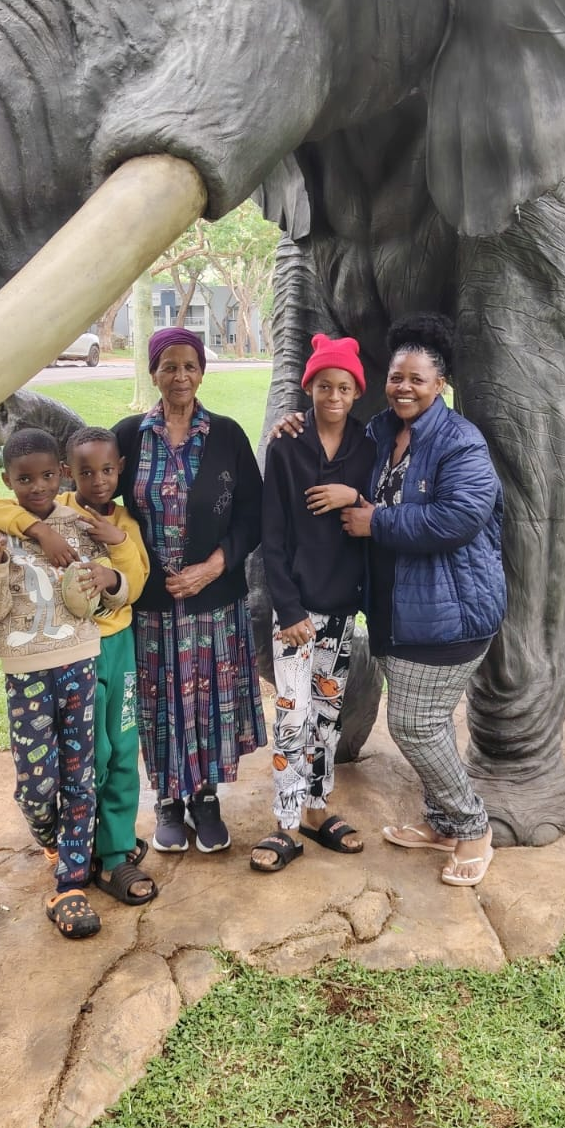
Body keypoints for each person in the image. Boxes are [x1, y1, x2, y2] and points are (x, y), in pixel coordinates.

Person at [340, 313, 505, 888]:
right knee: (431, 722)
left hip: (450, 612)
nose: (403, 387)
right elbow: (333, 452)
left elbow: (458, 518)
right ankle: (442, 824)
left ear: (441, 384)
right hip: (395, 608)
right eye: (395, 377)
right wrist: (297, 424)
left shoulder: (461, 441)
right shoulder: (379, 432)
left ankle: (473, 828)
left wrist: (377, 522)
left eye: (417, 379)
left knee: (413, 724)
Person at [0, 426, 157, 907]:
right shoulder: (63, 512)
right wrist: (39, 530)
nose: (99, 481)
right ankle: (83, 845)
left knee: (120, 749)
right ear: (70, 474)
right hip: (74, 653)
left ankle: (115, 853)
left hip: (116, 649)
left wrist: (116, 552)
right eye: (86, 472)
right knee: (86, 760)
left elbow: (133, 584)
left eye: (108, 470)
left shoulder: (118, 523)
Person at [112, 328, 265, 853]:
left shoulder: (226, 435)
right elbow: (96, 496)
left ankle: (205, 798)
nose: (180, 376)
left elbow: (252, 513)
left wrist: (213, 567)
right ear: (153, 372)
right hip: (151, 605)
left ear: (202, 372)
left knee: (207, 701)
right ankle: (167, 802)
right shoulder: (129, 437)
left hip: (213, 603)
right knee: (159, 701)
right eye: (169, 366)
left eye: (190, 366)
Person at [251, 333, 378, 873]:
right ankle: (284, 821)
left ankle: (316, 808)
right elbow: (272, 535)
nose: (333, 396)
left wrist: (356, 496)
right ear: (309, 388)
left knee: (326, 716)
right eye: (324, 385)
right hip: (296, 613)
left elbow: (381, 510)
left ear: (356, 392)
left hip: (342, 609)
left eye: (343, 387)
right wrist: (289, 609)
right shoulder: (287, 446)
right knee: (292, 714)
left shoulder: (367, 447)